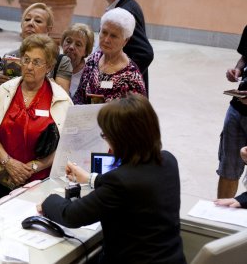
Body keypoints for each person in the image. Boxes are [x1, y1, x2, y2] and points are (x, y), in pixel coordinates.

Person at [39, 94, 186, 264]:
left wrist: (48, 201)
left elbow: (71, 215)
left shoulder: (120, 183)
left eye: (105, 135)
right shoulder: (168, 161)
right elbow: (135, 187)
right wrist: (90, 178)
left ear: (120, 139)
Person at [0, 34, 73, 203]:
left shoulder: (61, 100)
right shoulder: (3, 92)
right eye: (26, 60)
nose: (29, 66)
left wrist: (34, 167)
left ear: (49, 67)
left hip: (39, 182)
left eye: (36, 62)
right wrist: (9, 163)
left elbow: (66, 146)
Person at [99, 0, 153, 94]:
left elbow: (145, 53)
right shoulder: (129, 4)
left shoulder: (125, 12)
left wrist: (122, 78)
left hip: (125, 97)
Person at [73, 8, 146, 104]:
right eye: (104, 32)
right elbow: (79, 95)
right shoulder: (93, 60)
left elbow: (137, 114)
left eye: (113, 36)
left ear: (125, 40)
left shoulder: (131, 77)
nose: (106, 40)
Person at [0, 3, 73, 92]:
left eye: (38, 21)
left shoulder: (61, 62)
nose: (30, 23)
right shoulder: (9, 56)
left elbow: (62, 96)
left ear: (48, 29)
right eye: (27, 19)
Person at [216, 25, 247, 199]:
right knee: (228, 168)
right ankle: (220, 217)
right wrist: (238, 70)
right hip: (237, 110)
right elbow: (244, 57)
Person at [61, 23, 95, 96]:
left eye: (78, 44)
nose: (71, 47)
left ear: (85, 51)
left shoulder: (89, 75)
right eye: (68, 41)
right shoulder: (52, 64)